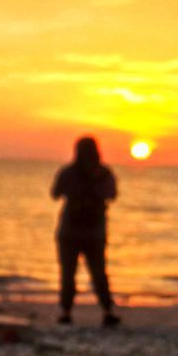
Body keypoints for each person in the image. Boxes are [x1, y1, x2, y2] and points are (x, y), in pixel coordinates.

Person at [51, 135, 119, 326]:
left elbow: (55, 193)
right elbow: (112, 195)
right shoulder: (103, 173)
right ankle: (106, 311)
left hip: (77, 232)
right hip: (87, 232)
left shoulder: (70, 173)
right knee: (96, 273)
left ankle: (67, 312)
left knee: (71, 273)